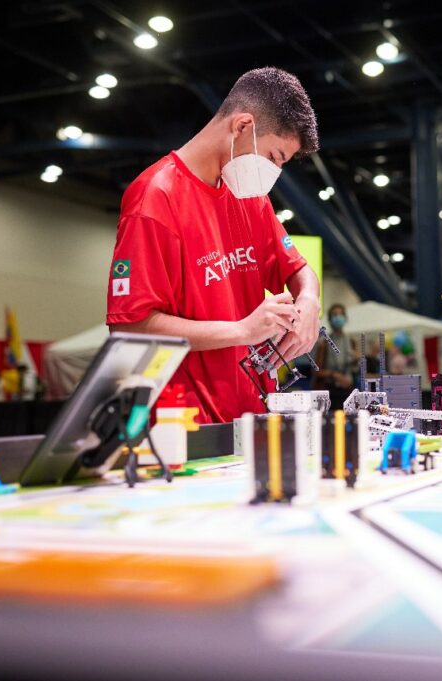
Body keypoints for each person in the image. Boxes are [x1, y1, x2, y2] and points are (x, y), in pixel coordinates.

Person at [107, 67, 322, 424]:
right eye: (273, 158)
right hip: (186, 426)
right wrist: (242, 330)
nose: (273, 173)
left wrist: (310, 301)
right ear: (242, 126)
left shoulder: (249, 197)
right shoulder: (155, 198)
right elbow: (129, 326)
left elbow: (298, 269)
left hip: (251, 417)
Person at [313, 303, 356, 408]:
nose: (338, 318)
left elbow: (354, 368)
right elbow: (316, 371)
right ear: (330, 319)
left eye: (340, 314)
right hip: (331, 391)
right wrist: (334, 375)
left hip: (348, 389)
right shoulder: (324, 343)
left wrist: (357, 360)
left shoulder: (351, 341)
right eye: (335, 315)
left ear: (345, 318)